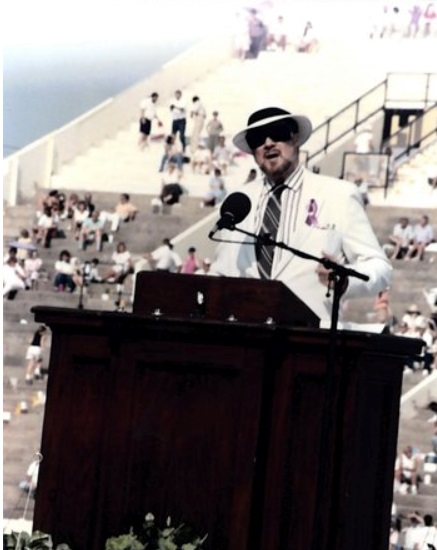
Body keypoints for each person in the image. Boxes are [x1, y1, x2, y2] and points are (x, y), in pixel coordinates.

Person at [210, 106, 392, 323]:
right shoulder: (238, 200)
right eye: (258, 138)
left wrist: (345, 279)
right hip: (246, 336)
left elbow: (379, 267)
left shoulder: (338, 194)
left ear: (295, 139)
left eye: (277, 133)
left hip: (310, 340)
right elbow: (219, 274)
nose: (268, 143)